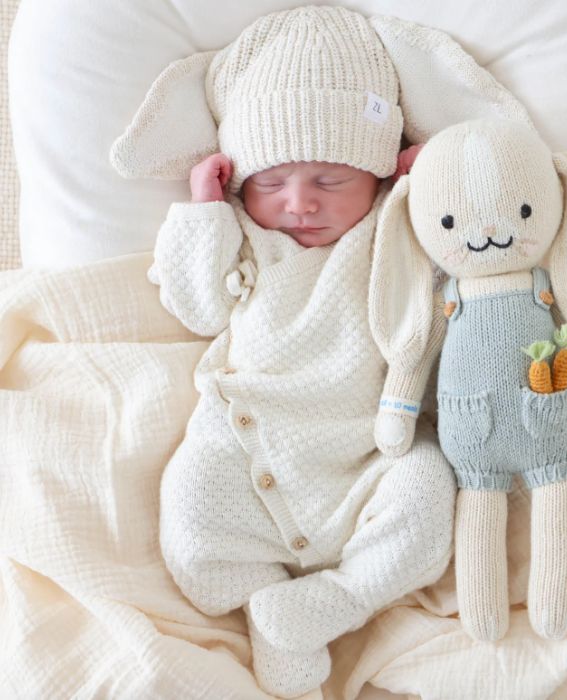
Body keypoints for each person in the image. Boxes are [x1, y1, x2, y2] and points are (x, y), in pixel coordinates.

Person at [149, 7, 455, 698]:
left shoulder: (388, 229)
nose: (299, 205)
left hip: (370, 453)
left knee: (429, 497)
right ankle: (272, 612)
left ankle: (327, 604)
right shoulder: (246, 238)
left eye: (330, 180)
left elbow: (446, 264)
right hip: (246, 442)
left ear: (375, 177)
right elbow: (197, 308)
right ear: (240, 186)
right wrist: (202, 209)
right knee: (192, 523)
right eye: (271, 183)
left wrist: (422, 190)